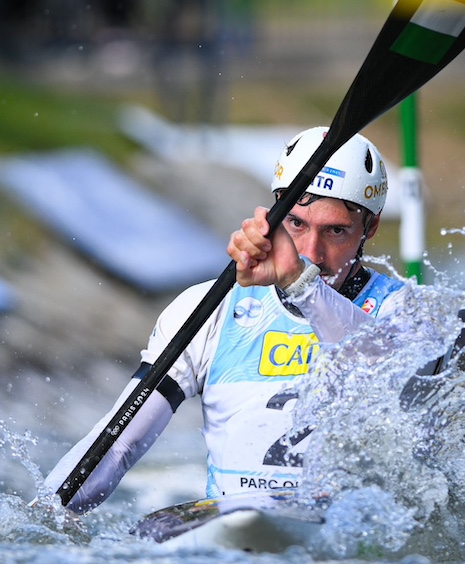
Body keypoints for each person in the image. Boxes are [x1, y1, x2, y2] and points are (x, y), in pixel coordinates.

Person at [44, 127, 411, 514]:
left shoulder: (401, 311)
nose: (310, 253)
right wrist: (49, 511)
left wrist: (300, 284)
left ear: (370, 227)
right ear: (275, 212)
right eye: (297, 224)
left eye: (335, 231)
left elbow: (385, 377)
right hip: (237, 532)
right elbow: (119, 443)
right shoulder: (209, 307)